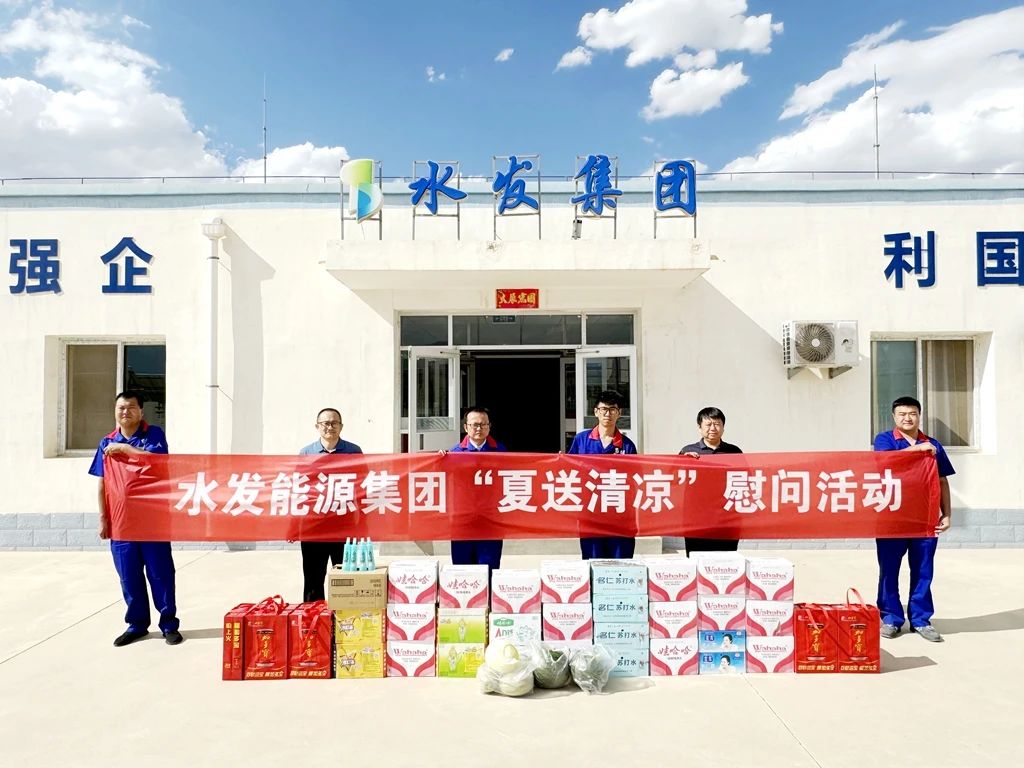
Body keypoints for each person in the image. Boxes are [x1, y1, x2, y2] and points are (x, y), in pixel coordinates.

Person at [89, 390, 182, 647]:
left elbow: (157, 462)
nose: (125, 412)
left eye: (131, 407)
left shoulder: (153, 435)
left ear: (141, 411)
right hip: (121, 524)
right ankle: (137, 625)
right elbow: (102, 483)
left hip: (153, 522)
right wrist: (103, 517)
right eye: (121, 407)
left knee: (161, 574)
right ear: (115, 411)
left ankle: (168, 625)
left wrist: (125, 448)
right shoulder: (106, 442)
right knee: (129, 577)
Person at [873, 396, 954, 643]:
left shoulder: (933, 444)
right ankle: (891, 618)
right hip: (892, 519)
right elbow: (886, 461)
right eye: (902, 414)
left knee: (923, 571)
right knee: (889, 570)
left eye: (912, 414)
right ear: (894, 417)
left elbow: (942, 481)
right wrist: (917, 449)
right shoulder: (885, 440)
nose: (907, 418)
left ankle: (920, 620)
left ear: (919, 416)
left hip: (925, 519)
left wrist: (947, 513)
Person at [298, 407, 362, 601]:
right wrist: (295, 527)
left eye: (334, 423)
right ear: (317, 426)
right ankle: (314, 617)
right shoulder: (306, 453)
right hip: (313, 527)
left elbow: (363, 484)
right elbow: (299, 489)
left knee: (347, 577)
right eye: (325, 423)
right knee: (313, 578)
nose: (330, 427)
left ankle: (345, 617)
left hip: (344, 525)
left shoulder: (353, 451)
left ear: (341, 426)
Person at [568, 390, 637, 559]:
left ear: (619, 413)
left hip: (619, 515)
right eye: (604, 409)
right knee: (593, 562)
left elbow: (635, 480)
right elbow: (569, 471)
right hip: (590, 513)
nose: (608, 414)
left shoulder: (627, 445)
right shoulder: (581, 440)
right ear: (595, 412)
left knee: (621, 564)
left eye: (613, 409)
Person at [445, 406, 506, 571]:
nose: (479, 428)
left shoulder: (501, 451)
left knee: (489, 567)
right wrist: (439, 461)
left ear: (489, 426)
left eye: (483, 424)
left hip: (490, 521)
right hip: (462, 521)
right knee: (463, 570)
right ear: (466, 427)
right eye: (475, 425)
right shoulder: (454, 454)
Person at [679, 406, 743, 556]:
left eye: (717, 424)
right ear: (699, 427)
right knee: (697, 558)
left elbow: (746, 479)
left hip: (727, 517)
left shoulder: (734, 451)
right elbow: (674, 479)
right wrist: (682, 462)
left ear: (723, 427)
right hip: (696, 518)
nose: (713, 428)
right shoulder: (688, 451)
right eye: (708, 424)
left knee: (726, 560)